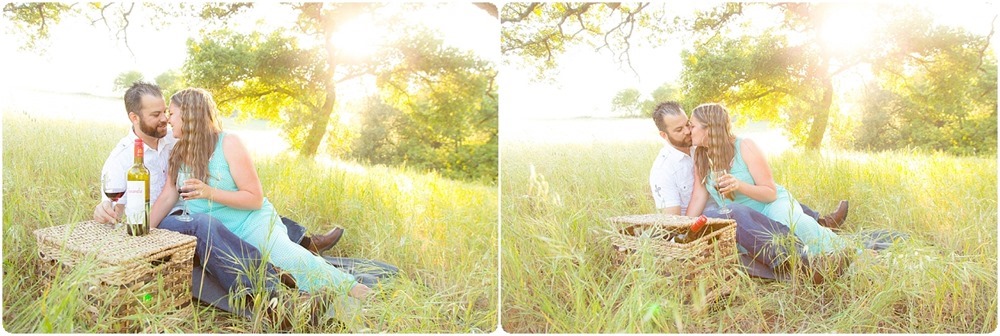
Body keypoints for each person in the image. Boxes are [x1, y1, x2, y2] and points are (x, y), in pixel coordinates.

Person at [93, 81, 345, 314]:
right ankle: (276, 297)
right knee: (206, 223)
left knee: (242, 208)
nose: (165, 120)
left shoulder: (173, 135)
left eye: (166, 112)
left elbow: (205, 138)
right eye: (156, 115)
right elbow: (113, 209)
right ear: (134, 117)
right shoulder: (121, 160)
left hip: (193, 208)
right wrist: (104, 212)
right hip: (166, 221)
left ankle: (303, 242)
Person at [149, 87, 371, 303]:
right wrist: (140, 230)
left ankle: (347, 286)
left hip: (249, 221)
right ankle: (283, 296)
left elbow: (254, 198)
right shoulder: (177, 151)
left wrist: (210, 193)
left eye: (172, 113)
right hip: (214, 231)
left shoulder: (228, 143)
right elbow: (169, 195)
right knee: (247, 260)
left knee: (284, 254)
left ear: (189, 115)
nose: (169, 119)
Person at [649, 101, 849, 282]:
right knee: (736, 242)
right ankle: (803, 264)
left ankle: (827, 247)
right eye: (682, 128)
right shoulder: (695, 156)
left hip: (765, 204)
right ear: (665, 135)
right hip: (735, 216)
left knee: (793, 223)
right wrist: (682, 232)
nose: (688, 131)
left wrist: (739, 185)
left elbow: (770, 192)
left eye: (690, 125)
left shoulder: (742, 145)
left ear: (709, 130)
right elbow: (698, 196)